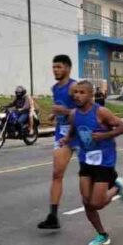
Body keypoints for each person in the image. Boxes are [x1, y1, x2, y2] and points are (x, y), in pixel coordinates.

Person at [60, 81, 123, 245]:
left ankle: (117, 186)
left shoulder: (101, 112)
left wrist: (105, 135)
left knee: (97, 203)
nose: (77, 95)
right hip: (86, 160)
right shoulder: (74, 114)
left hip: (104, 162)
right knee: (87, 202)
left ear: (90, 95)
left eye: (81, 92)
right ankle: (102, 235)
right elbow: (73, 130)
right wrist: (67, 139)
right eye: (75, 92)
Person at [38, 55, 78, 230]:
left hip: (79, 131)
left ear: (68, 69)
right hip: (62, 133)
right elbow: (58, 106)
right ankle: (53, 216)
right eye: (54, 67)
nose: (55, 70)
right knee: (57, 174)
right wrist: (54, 114)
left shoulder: (74, 87)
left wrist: (66, 111)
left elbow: (86, 109)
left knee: (94, 171)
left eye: (59, 67)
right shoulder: (55, 88)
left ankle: (115, 183)